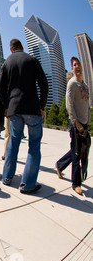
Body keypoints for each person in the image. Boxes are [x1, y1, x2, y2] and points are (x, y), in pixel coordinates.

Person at [0, 39, 48, 194]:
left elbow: (0, 89)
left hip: (15, 109)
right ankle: (27, 184)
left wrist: (8, 104)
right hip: (32, 107)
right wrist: (41, 105)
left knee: (13, 141)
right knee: (34, 145)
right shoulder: (32, 60)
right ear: (22, 47)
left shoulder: (7, 62)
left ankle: (6, 177)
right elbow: (44, 83)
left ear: (11, 49)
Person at [55, 57, 90, 195]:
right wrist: (76, 123)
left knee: (78, 150)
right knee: (77, 153)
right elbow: (69, 105)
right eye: (75, 65)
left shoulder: (85, 86)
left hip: (84, 123)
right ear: (72, 68)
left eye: (79, 64)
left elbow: (87, 105)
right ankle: (76, 184)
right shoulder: (72, 83)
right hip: (76, 124)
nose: (78, 66)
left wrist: (87, 122)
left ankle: (60, 164)